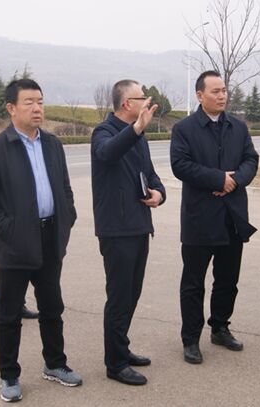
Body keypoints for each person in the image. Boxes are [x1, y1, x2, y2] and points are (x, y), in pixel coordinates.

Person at [0, 79, 82, 402]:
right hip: (14, 245)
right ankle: (9, 375)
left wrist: (67, 218)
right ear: (11, 108)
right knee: (9, 316)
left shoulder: (52, 144)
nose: (37, 108)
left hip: (50, 238)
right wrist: (9, 229)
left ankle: (55, 364)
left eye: (40, 102)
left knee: (52, 308)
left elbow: (65, 188)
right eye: (29, 102)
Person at [170, 70, 259, 364]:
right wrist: (218, 179)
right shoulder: (184, 129)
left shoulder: (238, 127)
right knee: (193, 283)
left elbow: (251, 159)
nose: (222, 96)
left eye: (224, 90)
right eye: (215, 91)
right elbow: (180, 165)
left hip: (232, 217)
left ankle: (220, 327)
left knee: (228, 280)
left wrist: (235, 181)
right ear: (200, 95)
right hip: (200, 219)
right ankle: (191, 339)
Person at [91, 79, 166, 385]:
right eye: (141, 98)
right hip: (116, 229)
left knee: (132, 293)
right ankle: (115, 363)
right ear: (126, 104)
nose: (147, 101)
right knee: (119, 296)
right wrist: (135, 130)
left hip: (139, 224)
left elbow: (150, 174)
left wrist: (159, 193)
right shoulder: (104, 132)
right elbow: (107, 153)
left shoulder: (139, 135)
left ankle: (121, 348)